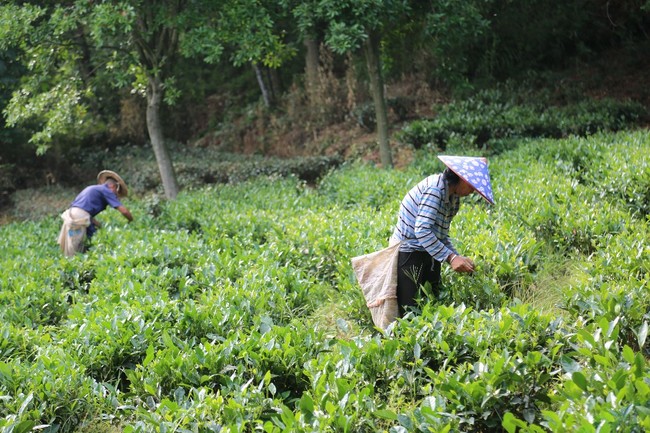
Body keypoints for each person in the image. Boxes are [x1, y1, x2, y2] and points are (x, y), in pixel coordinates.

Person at [390, 155, 494, 316]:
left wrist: (458, 257)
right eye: (472, 186)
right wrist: (451, 258)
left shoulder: (453, 198)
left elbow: (441, 234)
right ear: (461, 178)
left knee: (431, 302)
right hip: (409, 252)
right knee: (409, 311)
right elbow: (422, 230)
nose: (473, 191)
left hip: (429, 251)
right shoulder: (435, 190)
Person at [57, 170, 133, 257]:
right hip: (78, 218)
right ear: (112, 186)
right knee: (74, 247)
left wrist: (99, 225)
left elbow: (85, 212)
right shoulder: (106, 190)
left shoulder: (93, 188)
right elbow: (124, 211)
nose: (116, 194)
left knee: (77, 242)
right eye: (116, 190)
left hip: (72, 214)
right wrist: (131, 221)